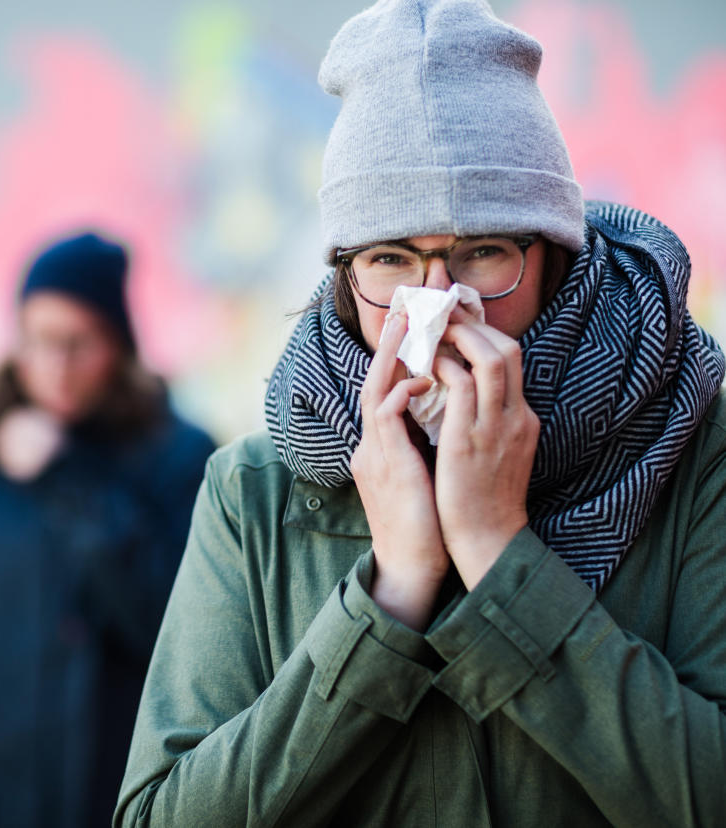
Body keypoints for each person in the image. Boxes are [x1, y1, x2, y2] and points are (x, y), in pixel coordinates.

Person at [115, 1, 726, 826]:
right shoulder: (255, 491)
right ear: (345, 274)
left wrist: (498, 550)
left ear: (554, 259)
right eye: (392, 258)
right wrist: (391, 596)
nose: (438, 306)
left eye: (481, 251)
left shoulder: (691, 446)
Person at [0, 231, 215, 827]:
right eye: (38, 341)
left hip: (119, 808)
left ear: (119, 345)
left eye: (78, 343)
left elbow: (175, 631)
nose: (56, 366)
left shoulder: (181, 461)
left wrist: (70, 482)